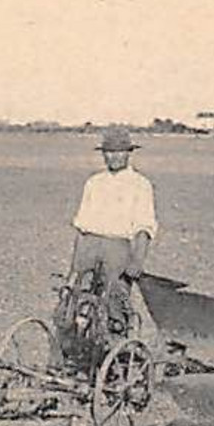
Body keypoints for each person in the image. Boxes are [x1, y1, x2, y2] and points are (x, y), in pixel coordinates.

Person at [63, 126, 157, 342]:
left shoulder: (140, 185)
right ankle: (74, 358)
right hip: (89, 246)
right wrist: (73, 267)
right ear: (103, 154)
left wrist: (137, 262)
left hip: (117, 250)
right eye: (109, 152)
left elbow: (144, 227)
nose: (113, 156)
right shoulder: (94, 183)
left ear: (128, 153)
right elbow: (82, 226)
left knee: (114, 308)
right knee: (74, 306)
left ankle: (115, 364)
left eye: (119, 151)